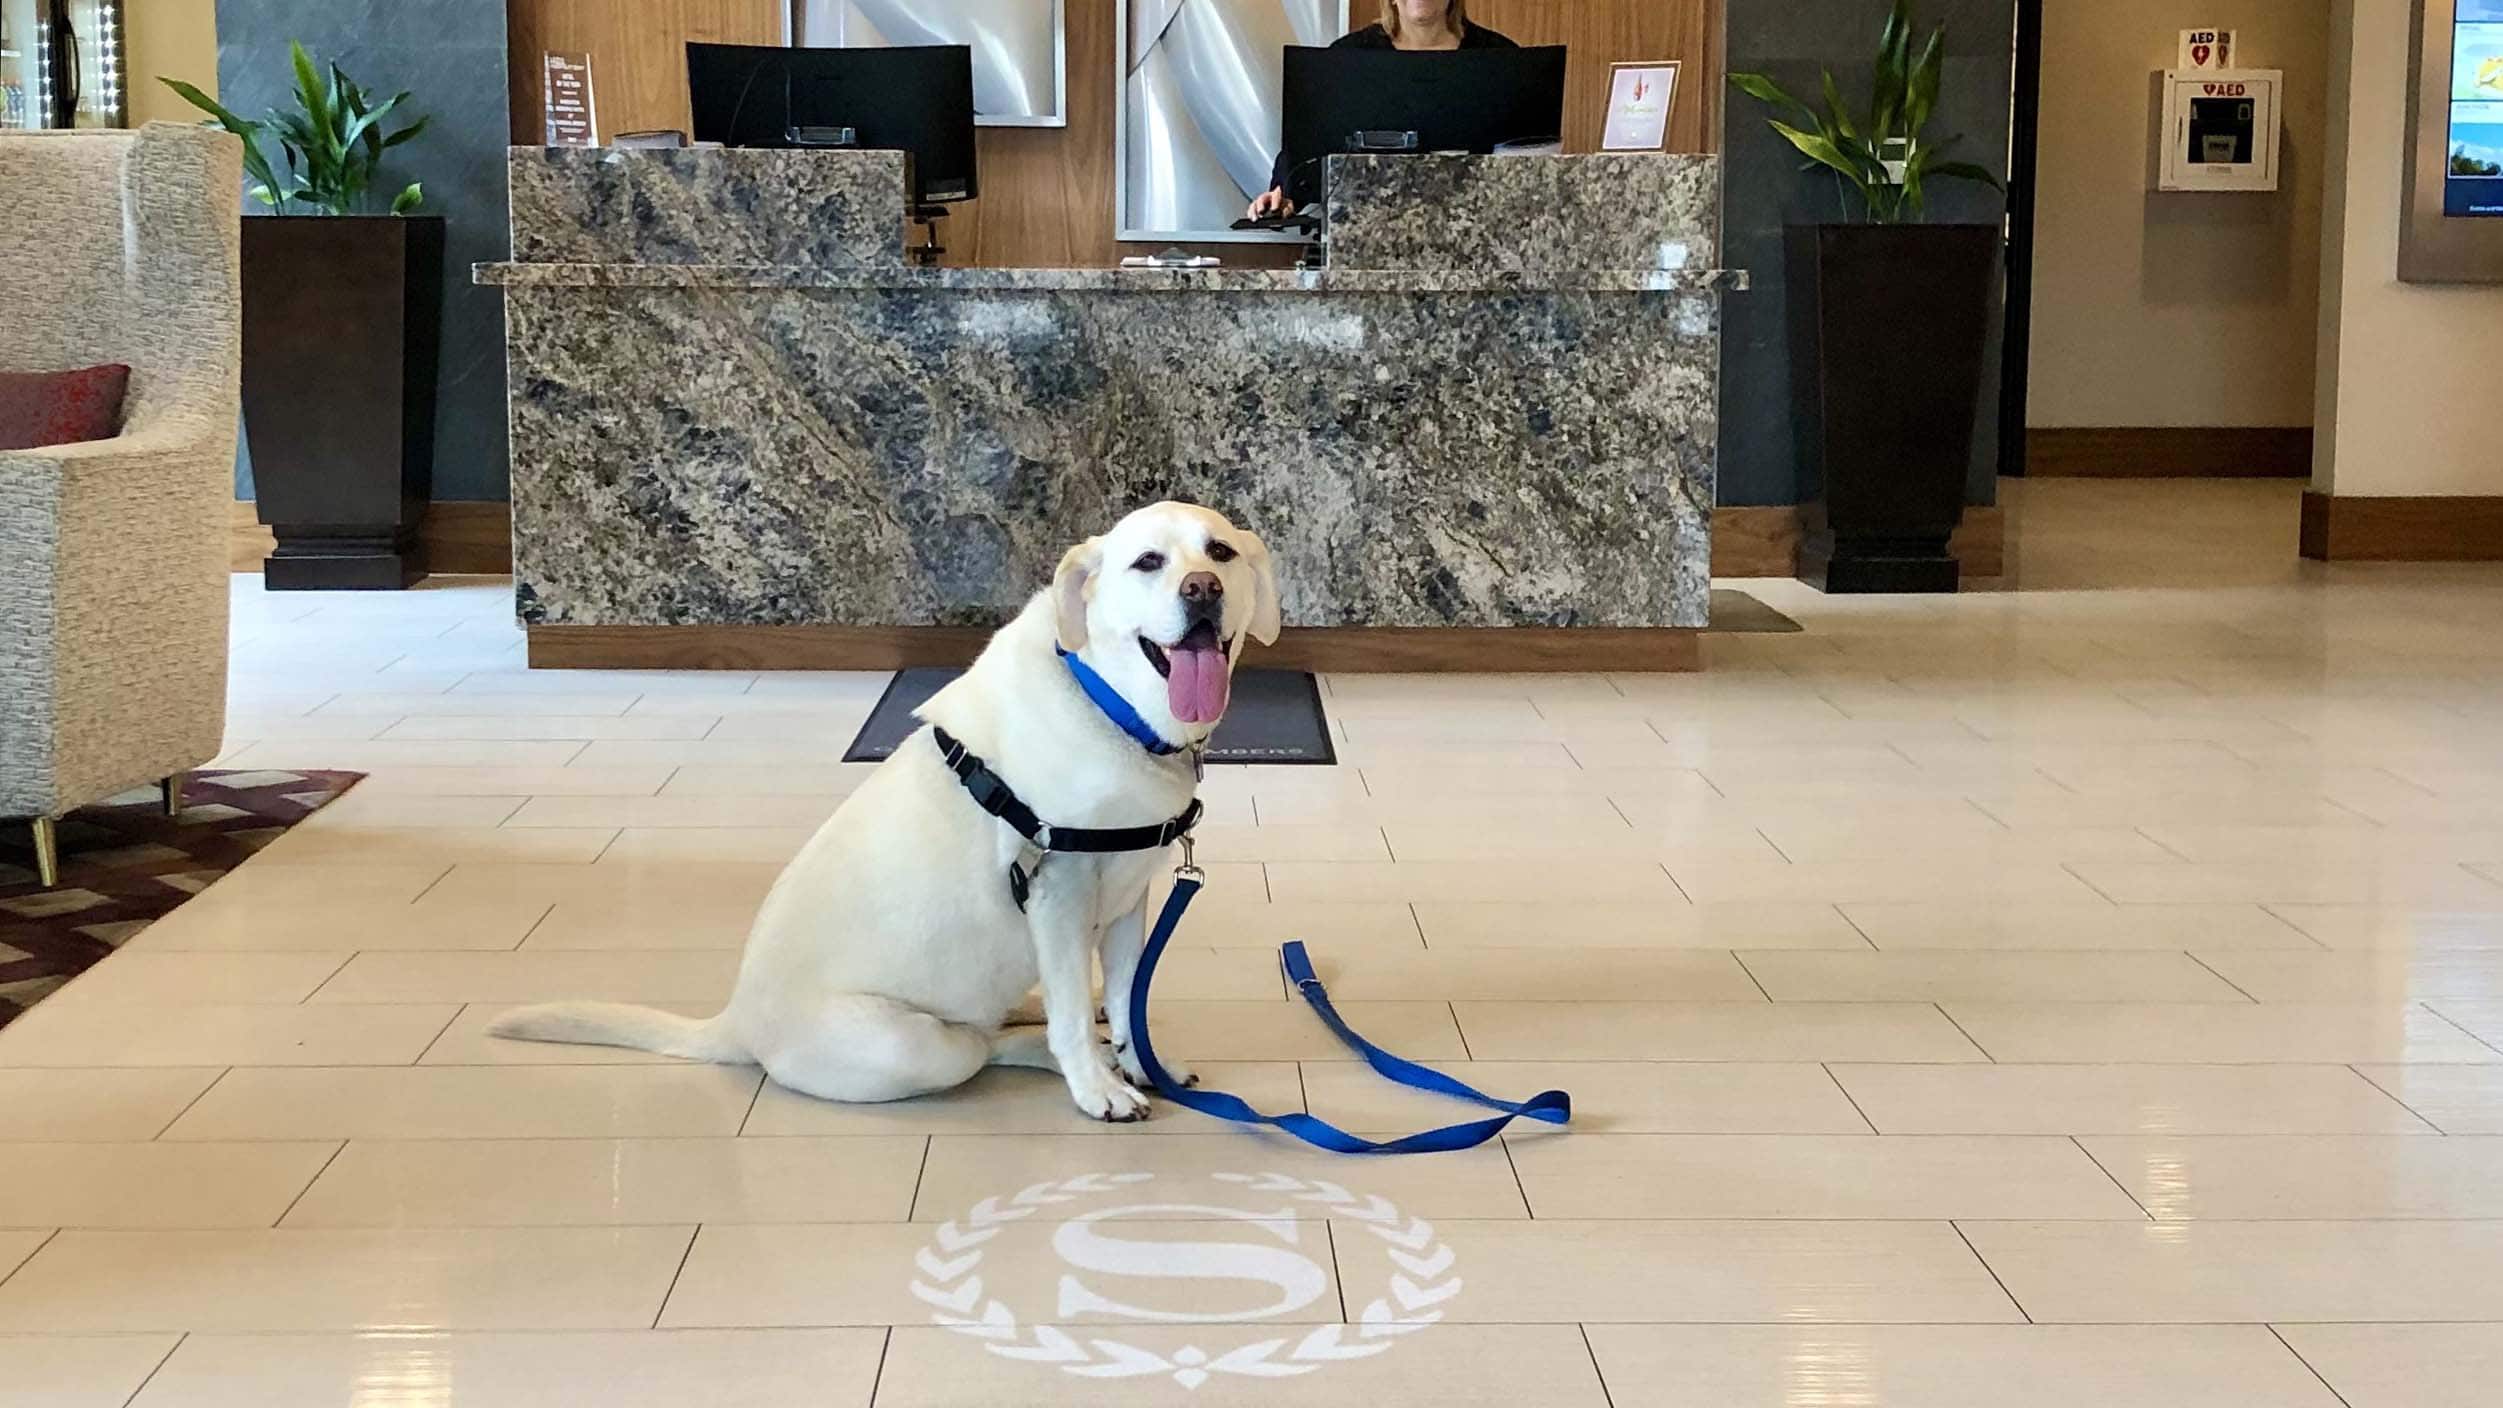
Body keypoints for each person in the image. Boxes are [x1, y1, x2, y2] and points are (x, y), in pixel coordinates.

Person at [1246, 0, 1520, 218]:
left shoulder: (1501, 58)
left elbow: (1526, 158)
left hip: (1474, 236)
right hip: (1364, 237)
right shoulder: (1347, 58)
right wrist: (1285, 194)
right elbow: (1310, 145)